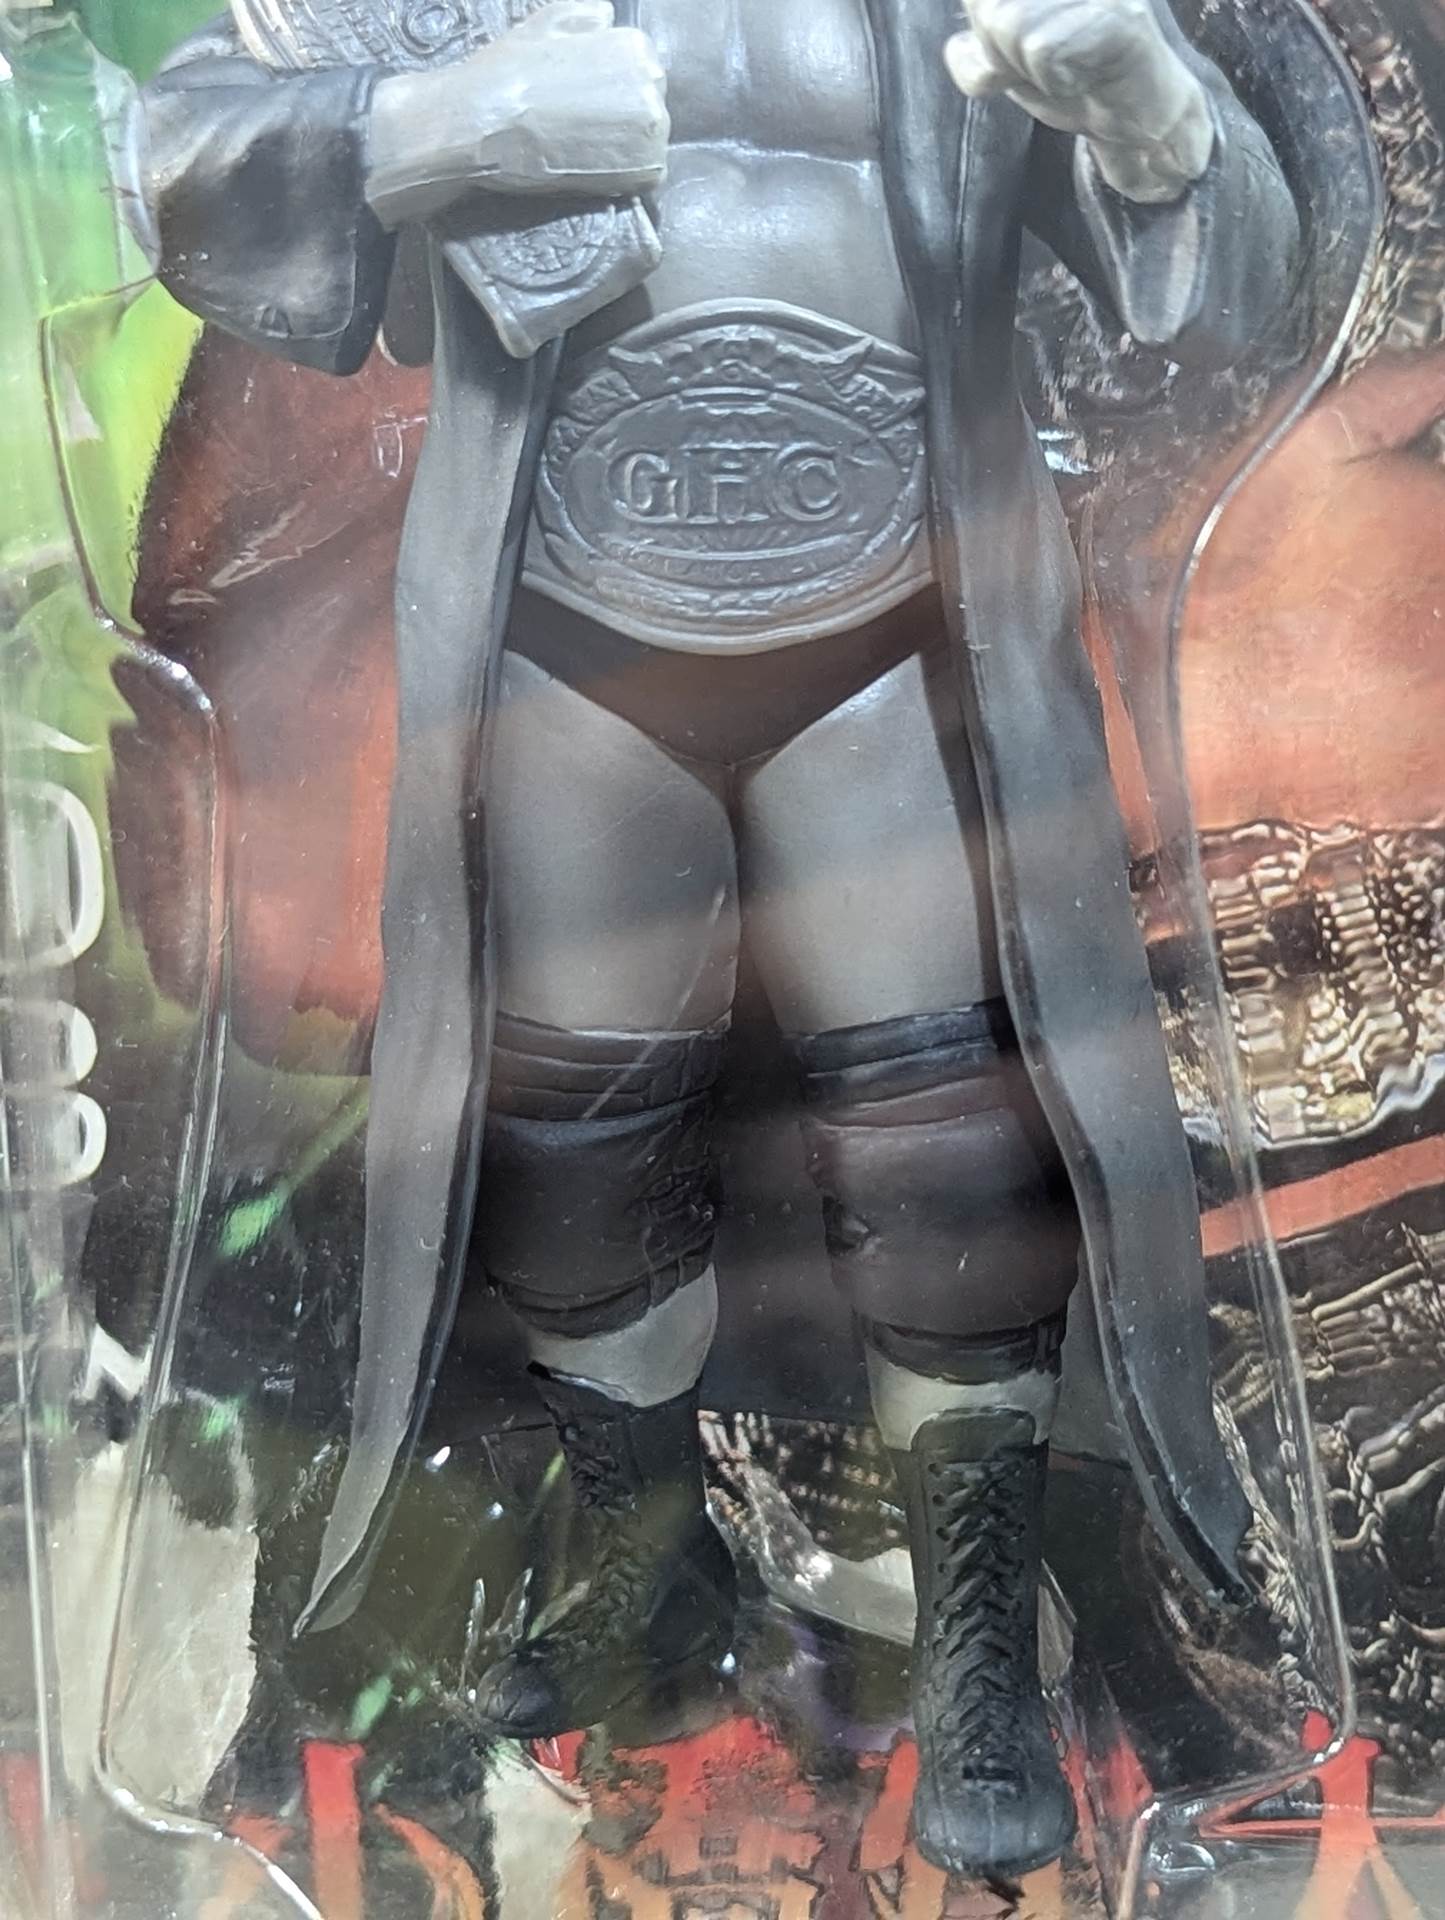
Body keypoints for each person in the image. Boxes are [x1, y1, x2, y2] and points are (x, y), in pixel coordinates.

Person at [133, 0, 1298, 1875]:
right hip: (570, 623)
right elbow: (184, 153)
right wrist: (431, 123)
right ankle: (645, 1559)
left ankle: (978, 1642)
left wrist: (1149, 109)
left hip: (894, 626)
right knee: (569, 1151)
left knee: (945, 1149)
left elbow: (1238, 290)